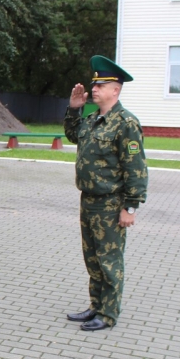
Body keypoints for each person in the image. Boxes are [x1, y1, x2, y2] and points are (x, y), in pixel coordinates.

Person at [64, 55, 148, 331]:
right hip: (88, 200)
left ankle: (108, 314)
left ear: (116, 89)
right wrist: (74, 109)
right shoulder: (91, 120)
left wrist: (131, 207)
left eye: (102, 84)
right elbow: (72, 135)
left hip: (111, 203)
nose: (95, 88)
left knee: (109, 260)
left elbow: (135, 168)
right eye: (94, 84)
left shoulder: (126, 123)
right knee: (92, 259)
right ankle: (95, 305)